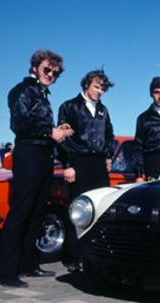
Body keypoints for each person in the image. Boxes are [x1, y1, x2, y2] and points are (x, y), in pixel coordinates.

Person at [0, 49, 73, 288]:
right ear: (35, 66)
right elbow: (19, 123)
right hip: (28, 154)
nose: (51, 75)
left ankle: (28, 265)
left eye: (55, 73)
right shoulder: (22, 90)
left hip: (43, 156)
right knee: (21, 212)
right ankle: (5, 273)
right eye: (47, 70)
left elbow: (36, 123)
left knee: (37, 212)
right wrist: (51, 131)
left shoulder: (42, 94)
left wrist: (57, 129)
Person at [57, 69, 116, 272]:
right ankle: (72, 257)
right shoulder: (69, 106)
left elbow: (110, 134)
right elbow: (62, 138)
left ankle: (94, 255)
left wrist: (107, 155)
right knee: (77, 210)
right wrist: (68, 165)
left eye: (102, 88)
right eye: (96, 87)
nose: (99, 91)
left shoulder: (103, 110)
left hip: (98, 164)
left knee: (100, 209)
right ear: (86, 85)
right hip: (78, 163)